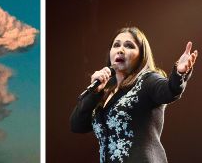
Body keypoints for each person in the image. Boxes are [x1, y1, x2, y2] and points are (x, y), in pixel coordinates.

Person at [70, 27, 198, 163]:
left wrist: (179, 73)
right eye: (116, 45)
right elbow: (77, 125)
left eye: (129, 46)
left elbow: (169, 91)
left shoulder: (148, 80)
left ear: (141, 55)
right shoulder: (104, 91)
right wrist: (94, 93)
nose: (120, 50)